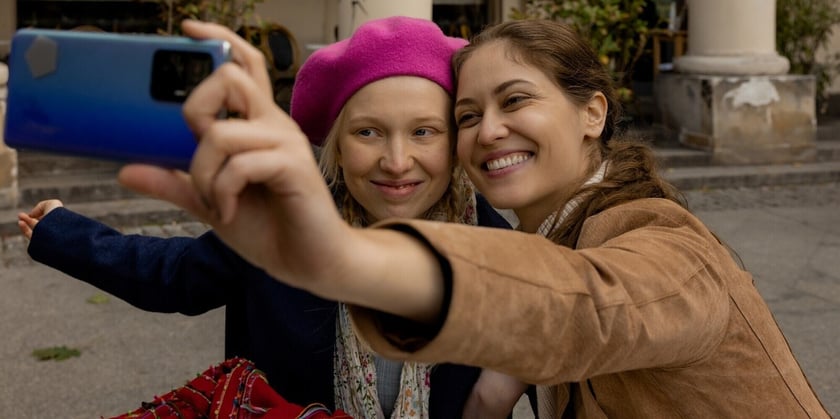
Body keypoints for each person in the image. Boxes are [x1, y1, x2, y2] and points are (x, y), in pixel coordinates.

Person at [118, 17, 832, 418]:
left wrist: (343, 257)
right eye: (467, 114)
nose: (488, 130)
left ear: (592, 112)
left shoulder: (664, 239)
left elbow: (590, 307)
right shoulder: (548, 236)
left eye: (515, 100)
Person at [18, 17, 525, 418]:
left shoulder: (503, 253)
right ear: (337, 146)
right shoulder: (284, 222)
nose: (396, 161)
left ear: (454, 142)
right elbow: (174, 276)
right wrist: (63, 232)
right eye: (368, 132)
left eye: (423, 132)